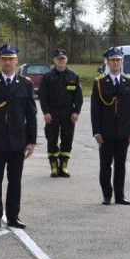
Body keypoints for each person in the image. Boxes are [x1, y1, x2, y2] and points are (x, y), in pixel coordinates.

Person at [0, 44, 36, 229]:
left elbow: (31, 114)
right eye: (4, 58)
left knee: (15, 181)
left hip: (18, 141)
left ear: (17, 61)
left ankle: (13, 216)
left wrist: (32, 141)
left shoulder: (26, 84)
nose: (8, 62)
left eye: (11, 58)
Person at [91, 47, 130, 205]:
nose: (115, 63)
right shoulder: (100, 83)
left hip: (123, 132)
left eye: (118, 60)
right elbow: (95, 109)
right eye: (112, 60)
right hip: (106, 132)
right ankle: (106, 194)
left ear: (122, 62)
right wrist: (96, 131)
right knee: (105, 165)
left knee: (120, 165)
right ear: (107, 62)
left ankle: (120, 195)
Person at [37, 48, 83, 178]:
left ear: (66, 59)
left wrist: (76, 112)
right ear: (54, 60)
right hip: (53, 113)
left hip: (68, 114)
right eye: (58, 58)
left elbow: (78, 97)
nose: (61, 60)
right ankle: (54, 166)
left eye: (63, 58)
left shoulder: (73, 76)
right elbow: (42, 96)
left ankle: (63, 165)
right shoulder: (47, 77)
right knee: (52, 139)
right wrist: (46, 112)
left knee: (67, 139)